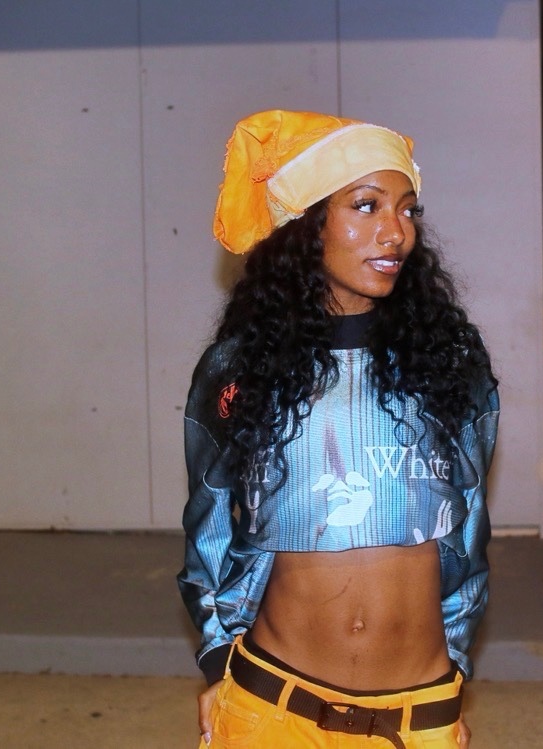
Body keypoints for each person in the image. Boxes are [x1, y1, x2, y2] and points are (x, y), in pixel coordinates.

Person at [177, 110, 500, 748]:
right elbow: (208, 526)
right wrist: (218, 662)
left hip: (418, 714)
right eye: (366, 205)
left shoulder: (450, 361)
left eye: (407, 210)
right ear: (308, 225)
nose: (395, 232)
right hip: (272, 705)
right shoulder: (240, 368)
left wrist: (453, 678)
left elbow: (468, 531)